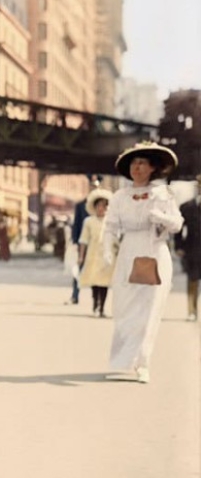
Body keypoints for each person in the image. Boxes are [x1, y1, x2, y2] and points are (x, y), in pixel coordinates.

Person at [102, 142, 183, 383]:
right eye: (133, 163)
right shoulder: (120, 197)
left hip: (153, 251)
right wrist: (107, 248)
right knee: (125, 308)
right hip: (129, 251)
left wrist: (162, 217)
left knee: (149, 310)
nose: (136, 168)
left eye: (142, 163)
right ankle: (122, 361)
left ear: (153, 167)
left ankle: (143, 364)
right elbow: (110, 226)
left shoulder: (163, 194)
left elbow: (177, 224)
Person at [77, 188, 115, 317]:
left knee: (104, 282)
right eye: (99, 206)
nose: (101, 209)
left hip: (107, 254)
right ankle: (95, 304)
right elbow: (83, 240)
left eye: (104, 206)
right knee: (95, 281)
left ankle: (102, 307)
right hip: (93, 254)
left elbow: (116, 238)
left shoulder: (111, 222)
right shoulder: (88, 221)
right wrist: (81, 256)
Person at [67, 175, 102, 305]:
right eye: (92, 186)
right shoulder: (81, 205)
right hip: (84, 243)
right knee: (79, 269)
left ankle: (96, 299)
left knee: (97, 271)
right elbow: (76, 224)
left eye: (96, 186)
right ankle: (75, 295)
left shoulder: (104, 205)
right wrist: (75, 242)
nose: (94, 189)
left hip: (98, 244)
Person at [174, 174, 201, 321]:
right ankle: (192, 311)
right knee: (192, 280)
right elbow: (178, 228)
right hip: (193, 249)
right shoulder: (187, 207)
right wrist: (179, 246)